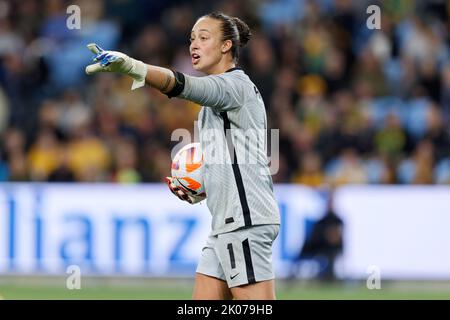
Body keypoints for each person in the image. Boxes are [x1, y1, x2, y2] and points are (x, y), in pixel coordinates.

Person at [85, 12, 280, 300]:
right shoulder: (211, 107)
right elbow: (236, 163)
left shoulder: (234, 86)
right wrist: (198, 186)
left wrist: (133, 67)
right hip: (225, 224)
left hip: (245, 223)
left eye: (203, 38)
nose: (194, 45)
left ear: (227, 46)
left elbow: (183, 86)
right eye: (191, 39)